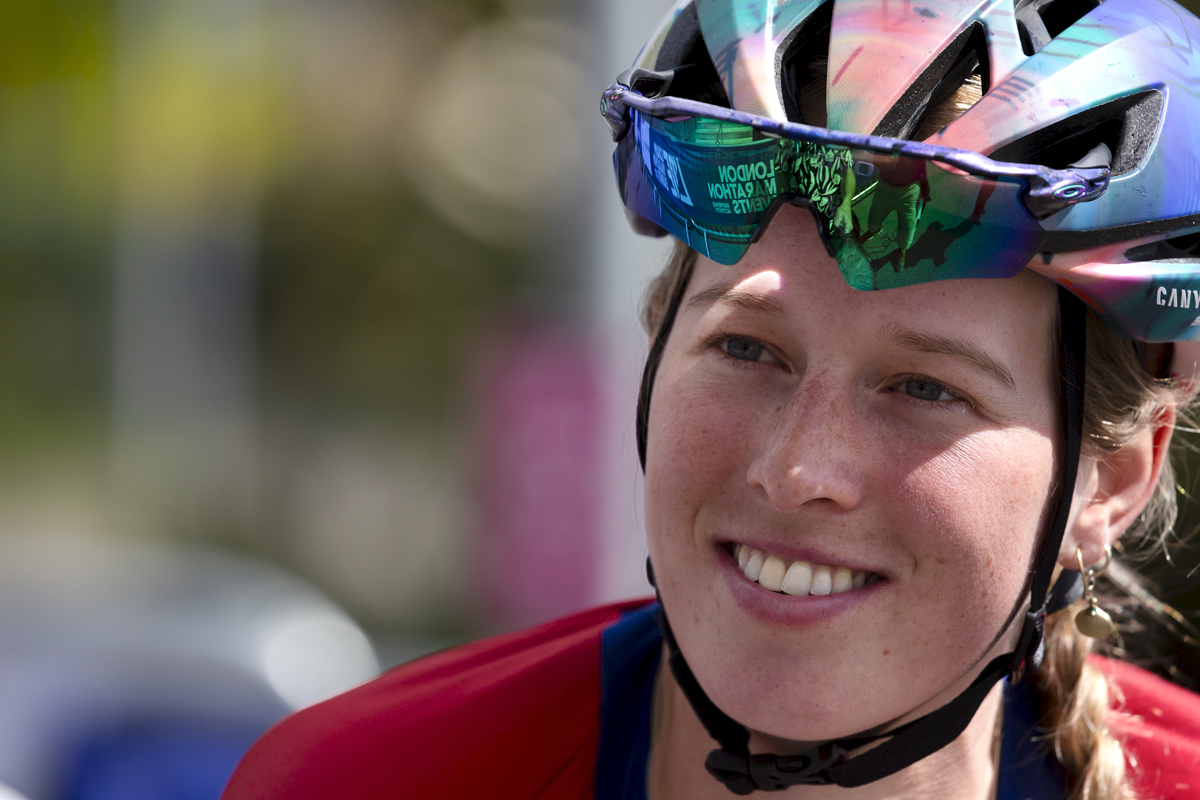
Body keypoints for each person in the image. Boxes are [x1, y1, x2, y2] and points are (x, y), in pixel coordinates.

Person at [221, 1, 1200, 798]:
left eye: (923, 387)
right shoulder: (361, 781)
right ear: (659, 345)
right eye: (746, 346)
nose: (797, 469)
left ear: (1110, 480)